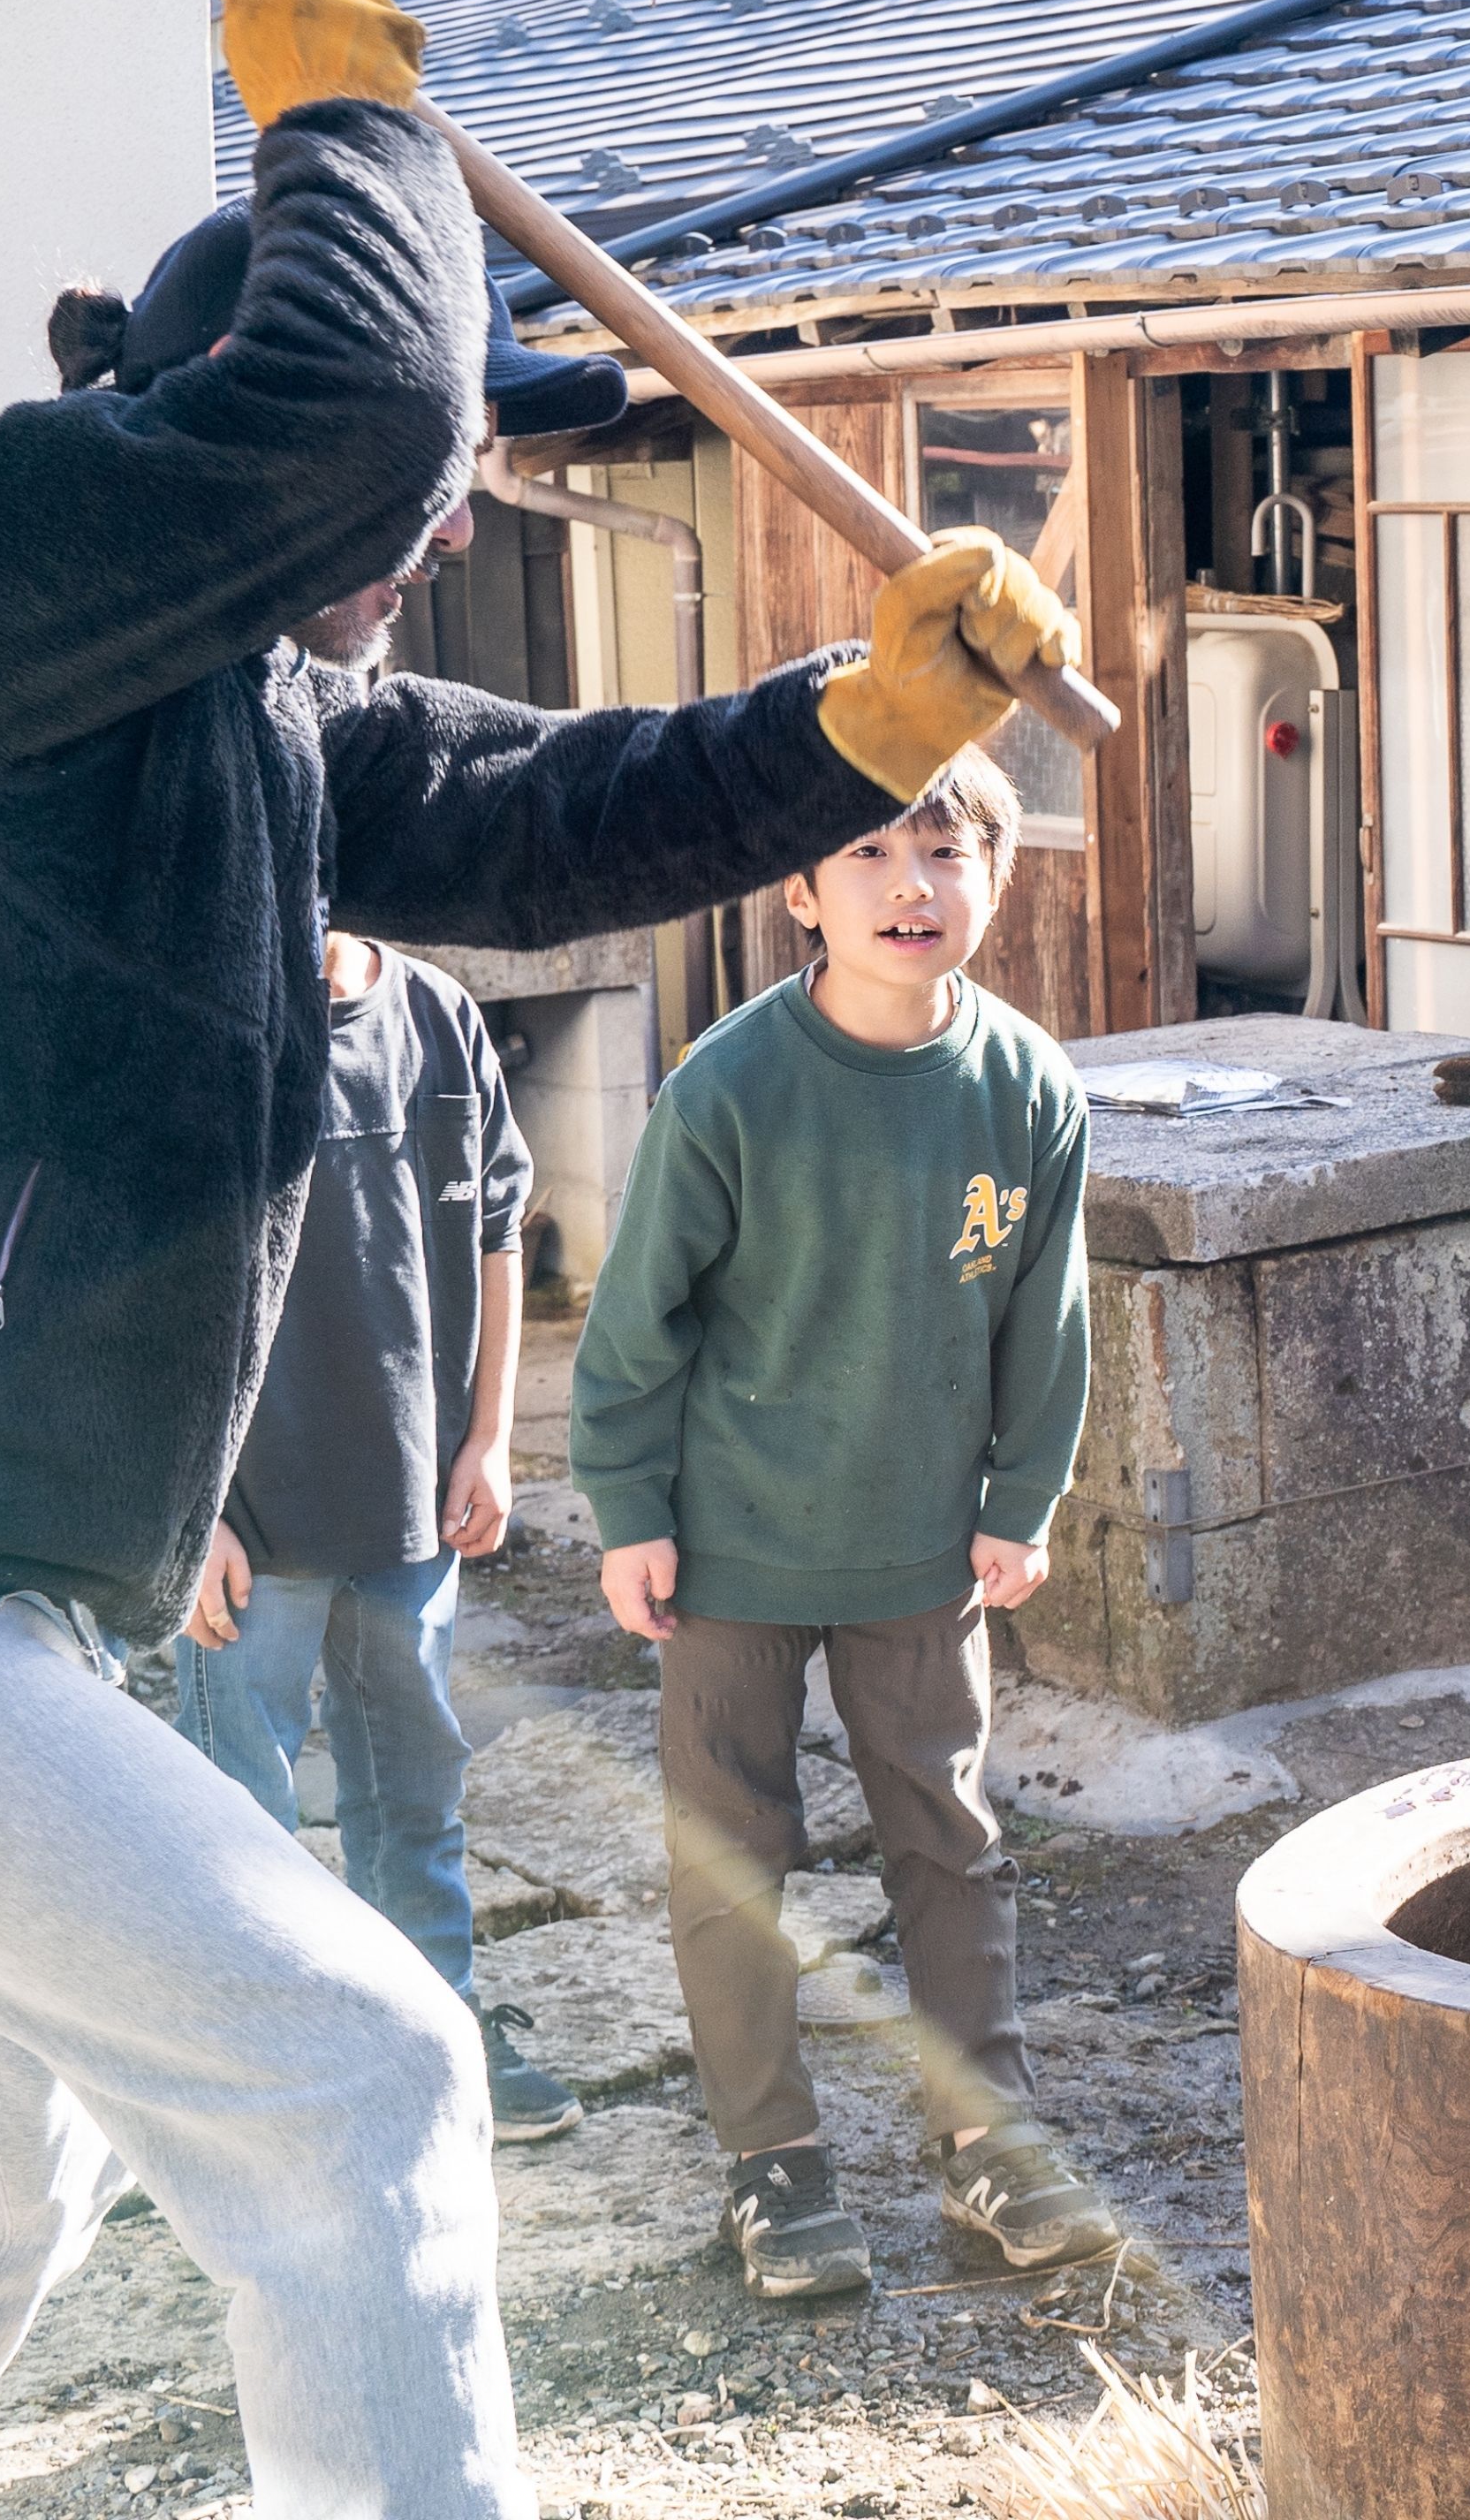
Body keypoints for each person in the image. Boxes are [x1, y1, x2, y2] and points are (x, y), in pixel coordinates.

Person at [0, 0, 1080, 2520]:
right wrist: (343, 121)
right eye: (424, 483)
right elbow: (363, 406)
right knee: (364, 2068)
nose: (440, 523)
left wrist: (871, 728)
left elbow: (553, 816)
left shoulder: (257, 714)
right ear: (232, 434)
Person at [570, 748, 1107, 2306]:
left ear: (997, 880)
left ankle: (988, 2137)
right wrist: (629, 1509)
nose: (909, 886)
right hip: (730, 1545)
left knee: (953, 1836)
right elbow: (636, 1321)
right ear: (800, 892)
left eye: (945, 852)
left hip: (923, 1548)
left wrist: (1022, 1498)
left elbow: (1048, 1325)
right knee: (733, 1849)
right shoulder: (729, 1087)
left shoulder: (1028, 1088)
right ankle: (773, 2157)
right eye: (866, 853)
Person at [170, 920, 580, 2144]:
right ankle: (258, 2076)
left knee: (413, 1794)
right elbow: (140, 1277)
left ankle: (437, 2033)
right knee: (237, 1814)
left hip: (414, 1501)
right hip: (248, 1527)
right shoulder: (195, 1019)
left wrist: (490, 1436)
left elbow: (498, 1231)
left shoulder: (440, 1018)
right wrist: (192, 1508)